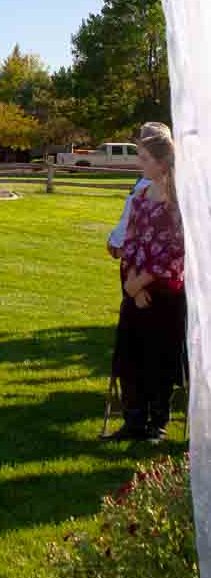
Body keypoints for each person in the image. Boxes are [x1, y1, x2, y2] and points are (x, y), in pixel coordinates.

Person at [102, 127, 185, 444]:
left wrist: (144, 283)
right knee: (131, 358)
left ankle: (157, 423)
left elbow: (174, 251)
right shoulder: (140, 197)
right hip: (136, 291)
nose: (140, 163)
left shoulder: (178, 205)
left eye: (145, 158)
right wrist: (132, 287)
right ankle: (133, 420)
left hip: (163, 295)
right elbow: (132, 242)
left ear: (163, 163)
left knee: (159, 359)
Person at [106, 122, 171, 260]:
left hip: (143, 263)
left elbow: (130, 221)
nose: (139, 161)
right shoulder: (176, 184)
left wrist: (115, 244)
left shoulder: (149, 187)